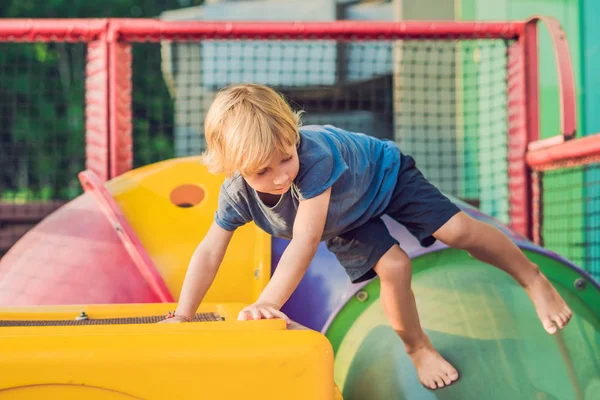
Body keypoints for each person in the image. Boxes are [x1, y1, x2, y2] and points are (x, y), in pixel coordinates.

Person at [161, 83, 572, 390]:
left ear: (295, 136)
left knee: (459, 230)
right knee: (394, 267)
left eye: (285, 158)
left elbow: (305, 239)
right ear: (232, 169)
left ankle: (531, 276)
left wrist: (268, 301)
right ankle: (418, 348)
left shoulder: (313, 158)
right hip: (342, 219)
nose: (281, 175)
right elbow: (210, 249)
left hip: (381, 178)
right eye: (261, 173)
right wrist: (183, 313)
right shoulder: (236, 194)